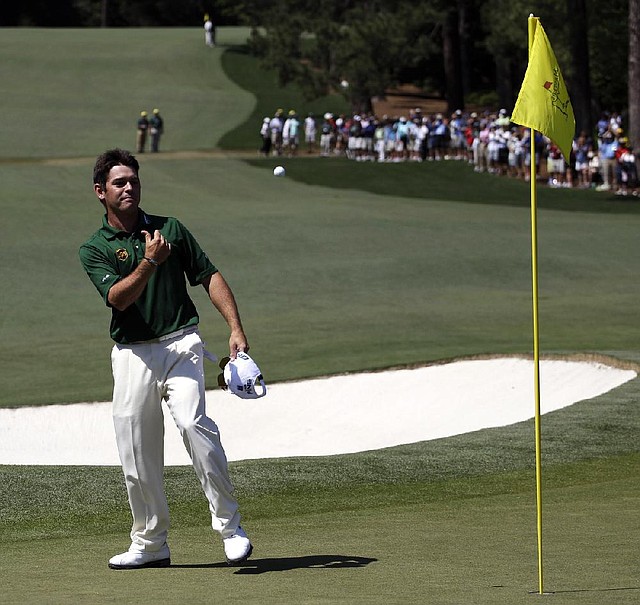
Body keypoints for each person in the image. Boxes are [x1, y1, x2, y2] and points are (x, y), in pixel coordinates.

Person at [79, 148, 253, 570]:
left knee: (196, 426)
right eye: (119, 183)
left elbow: (208, 274)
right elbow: (119, 299)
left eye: (134, 181)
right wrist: (149, 263)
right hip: (132, 354)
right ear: (100, 192)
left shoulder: (170, 228)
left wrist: (235, 327)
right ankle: (151, 543)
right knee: (137, 453)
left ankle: (231, 528)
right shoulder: (94, 247)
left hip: (181, 345)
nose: (129, 188)